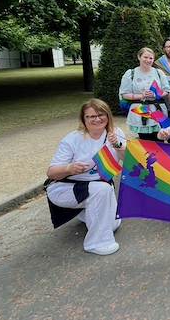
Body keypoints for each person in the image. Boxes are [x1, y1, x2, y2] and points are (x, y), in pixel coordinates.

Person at [46, 99, 125, 255]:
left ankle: (86, 213)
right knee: (101, 189)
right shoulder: (72, 139)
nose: (97, 119)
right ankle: (96, 243)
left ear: (107, 116)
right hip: (65, 187)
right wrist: (69, 168)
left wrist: (117, 145)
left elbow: (128, 160)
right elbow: (51, 173)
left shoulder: (115, 133)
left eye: (101, 114)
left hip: (98, 186)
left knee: (113, 224)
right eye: (91, 116)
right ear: (84, 119)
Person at [119, 47, 169, 140]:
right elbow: (124, 94)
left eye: (151, 58)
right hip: (140, 110)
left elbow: (166, 91)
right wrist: (141, 96)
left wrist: (155, 94)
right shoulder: (131, 73)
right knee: (145, 140)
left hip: (157, 109)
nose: (148, 60)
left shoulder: (159, 73)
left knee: (160, 139)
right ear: (139, 57)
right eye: (145, 57)